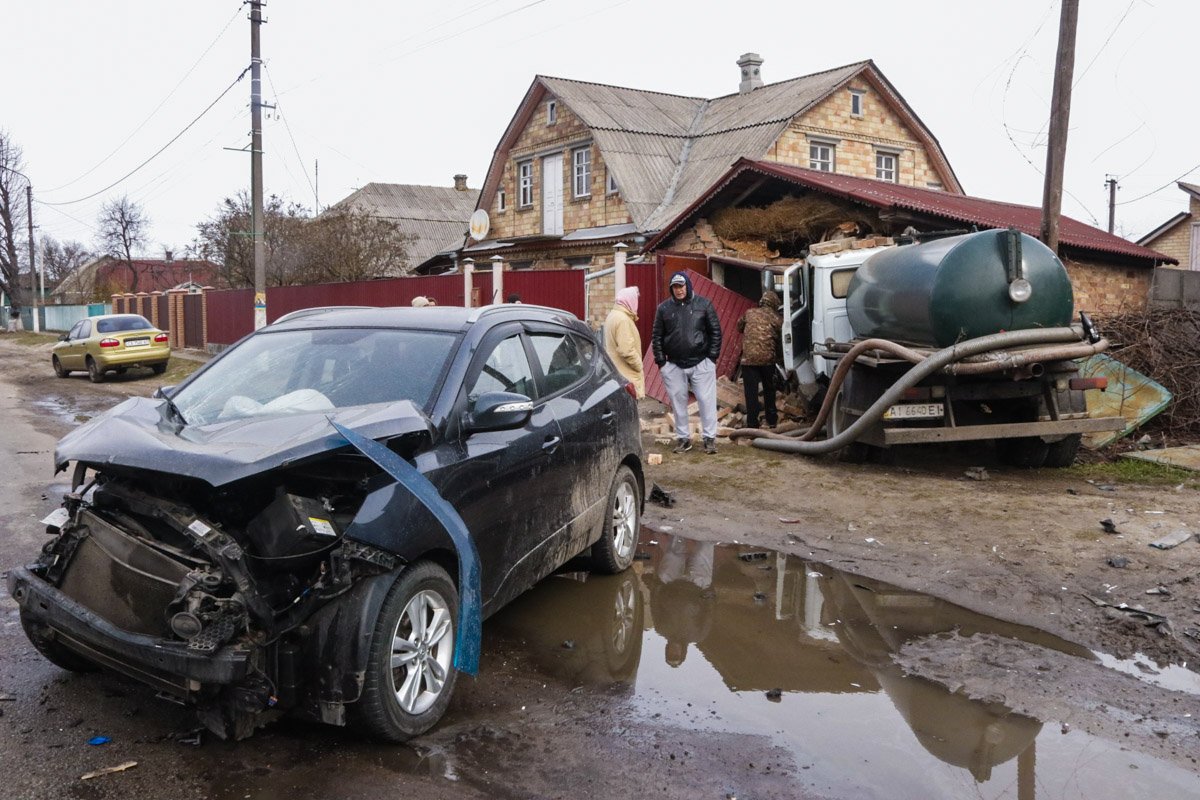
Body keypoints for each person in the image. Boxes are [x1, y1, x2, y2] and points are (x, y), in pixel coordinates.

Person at [652, 271, 722, 454]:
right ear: (671, 289)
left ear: (688, 285)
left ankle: (709, 439)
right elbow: (657, 336)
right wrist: (662, 363)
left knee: (706, 401)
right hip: (674, 364)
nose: (679, 290)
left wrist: (711, 358)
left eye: (681, 286)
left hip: (701, 363)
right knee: (678, 403)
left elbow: (715, 332)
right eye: (675, 287)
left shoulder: (704, 304)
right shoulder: (664, 309)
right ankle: (683, 439)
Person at [736, 289, 783, 429]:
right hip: (767, 360)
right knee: (769, 389)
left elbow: (739, 327)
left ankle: (752, 423)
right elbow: (782, 337)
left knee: (751, 392)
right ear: (774, 304)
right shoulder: (776, 319)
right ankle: (772, 420)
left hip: (748, 360)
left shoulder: (749, 313)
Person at [603, 286, 644, 398]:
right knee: (630, 412)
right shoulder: (623, 320)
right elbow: (626, 350)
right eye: (635, 299)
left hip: (618, 375)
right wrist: (639, 365)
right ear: (630, 300)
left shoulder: (613, 315)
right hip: (627, 377)